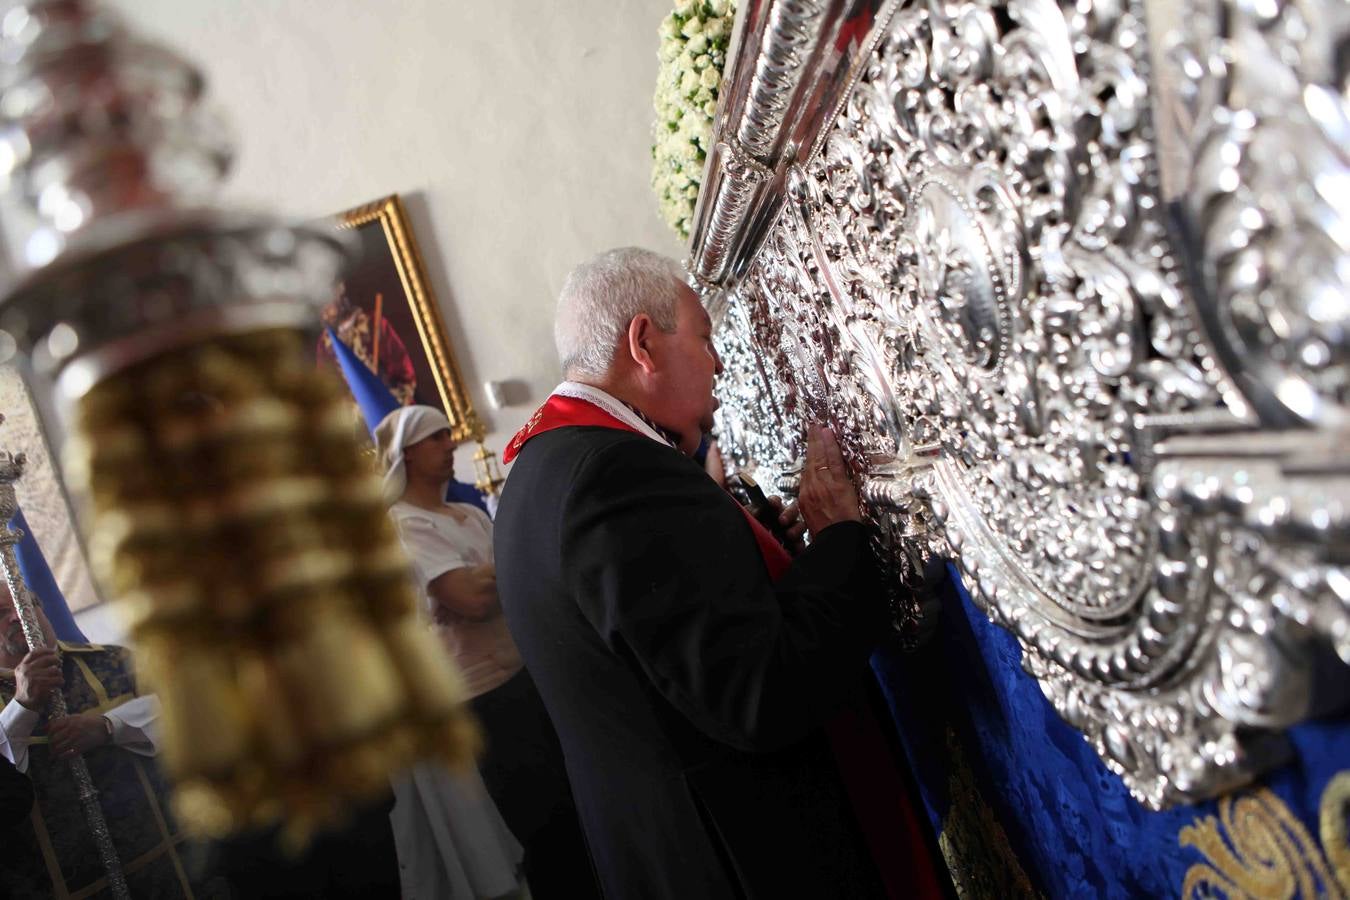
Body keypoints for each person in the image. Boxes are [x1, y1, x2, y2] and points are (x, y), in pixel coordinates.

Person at [493, 247, 893, 899]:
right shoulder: (615, 478)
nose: (719, 362)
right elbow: (762, 693)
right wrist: (842, 538)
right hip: (739, 852)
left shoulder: (546, 467)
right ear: (644, 343)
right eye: (705, 338)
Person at [375, 405, 598, 900]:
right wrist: (503, 573)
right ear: (408, 453)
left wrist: (493, 575)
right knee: (544, 830)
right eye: (436, 438)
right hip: (483, 700)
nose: (450, 444)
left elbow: (510, 582)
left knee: (578, 812)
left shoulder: (471, 513)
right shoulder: (404, 525)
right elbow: (472, 600)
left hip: (527, 679)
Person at [0, 581, 212, 898]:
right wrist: (22, 706)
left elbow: (191, 716)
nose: (18, 616)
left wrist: (109, 726)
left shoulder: (114, 661)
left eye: (25, 603)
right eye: (2, 613)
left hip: (171, 862)